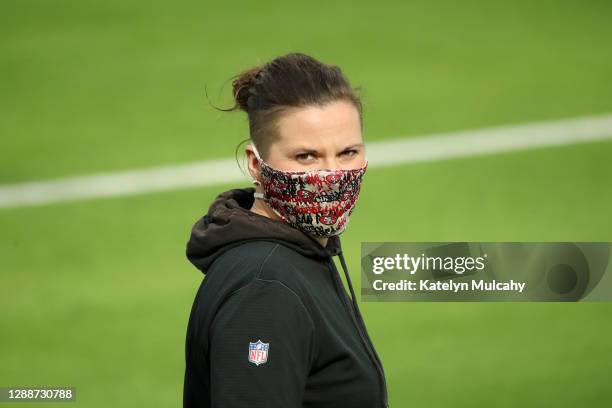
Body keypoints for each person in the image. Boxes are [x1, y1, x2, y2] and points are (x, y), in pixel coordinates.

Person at [183, 52, 389, 408]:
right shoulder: (264, 290)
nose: (331, 176)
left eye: (347, 152)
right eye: (305, 156)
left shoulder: (304, 253)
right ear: (256, 164)